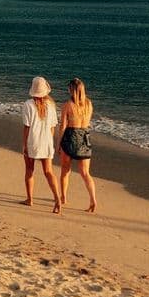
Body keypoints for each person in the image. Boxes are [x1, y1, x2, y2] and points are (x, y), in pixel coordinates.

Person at [21, 76, 61, 213]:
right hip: (46, 141)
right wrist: (50, 140)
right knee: (49, 172)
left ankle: (30, 199)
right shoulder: (51, 105)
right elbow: (52, 127)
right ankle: (57, 198)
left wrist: (24, 144)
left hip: (33, 140)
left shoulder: (28, 104)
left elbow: (27, 126)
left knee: (29, 170)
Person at [57, 77, 97, 213]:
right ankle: (92, 199)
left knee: (65, 170)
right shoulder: (89, 104)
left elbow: (62, 126)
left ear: (72, 90)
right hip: (84, 137)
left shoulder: (68, 105)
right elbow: (87, 122)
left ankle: (63, 197)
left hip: (70, 136)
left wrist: (58, 144)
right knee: (86, 173)